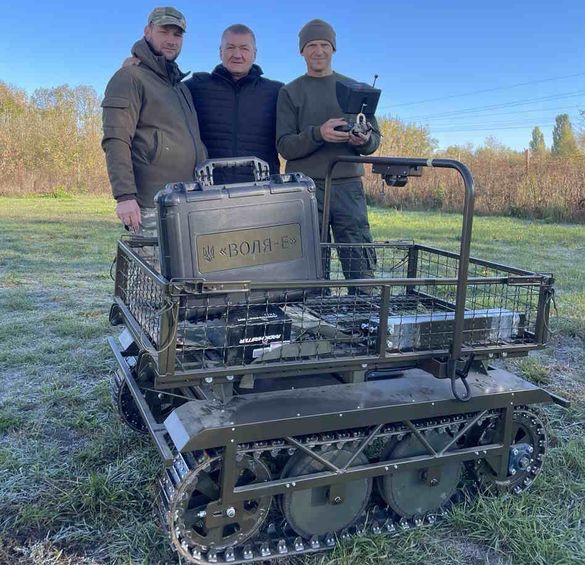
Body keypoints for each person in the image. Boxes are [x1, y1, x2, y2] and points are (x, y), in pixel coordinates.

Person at [276, 19, 380, 283]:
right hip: (306, 189)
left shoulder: (356, 89)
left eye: (324, 44)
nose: (318, 51)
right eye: (311, 45)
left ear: (333, 49)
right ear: (302, 51)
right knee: (310, 264)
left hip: (348, 188)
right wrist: (318, 134)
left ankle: (362, 315)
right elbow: (285, 145)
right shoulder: (290, 92)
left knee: (359, 258)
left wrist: (363, 140)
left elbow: (374, 139)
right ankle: (312, 320)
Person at [102, 7, 207, 236]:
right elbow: (116, 139)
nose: (171, 40)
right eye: (164, 32)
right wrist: (125, 196)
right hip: (151, 205)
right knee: (153, 271)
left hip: (186, 200)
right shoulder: (129, 77)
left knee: (184, 273)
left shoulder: (180, 88)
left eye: (177, 35)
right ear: (148, 31)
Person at [184, 24, 283, 184]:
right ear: (220, 52)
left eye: (244, 48)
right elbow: (163, 88)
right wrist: (139, 66)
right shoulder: (197, 86)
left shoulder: (276, 91)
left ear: (255, 53)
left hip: (261, 192)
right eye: (230, 47)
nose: (237, 55)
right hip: (208, 193)